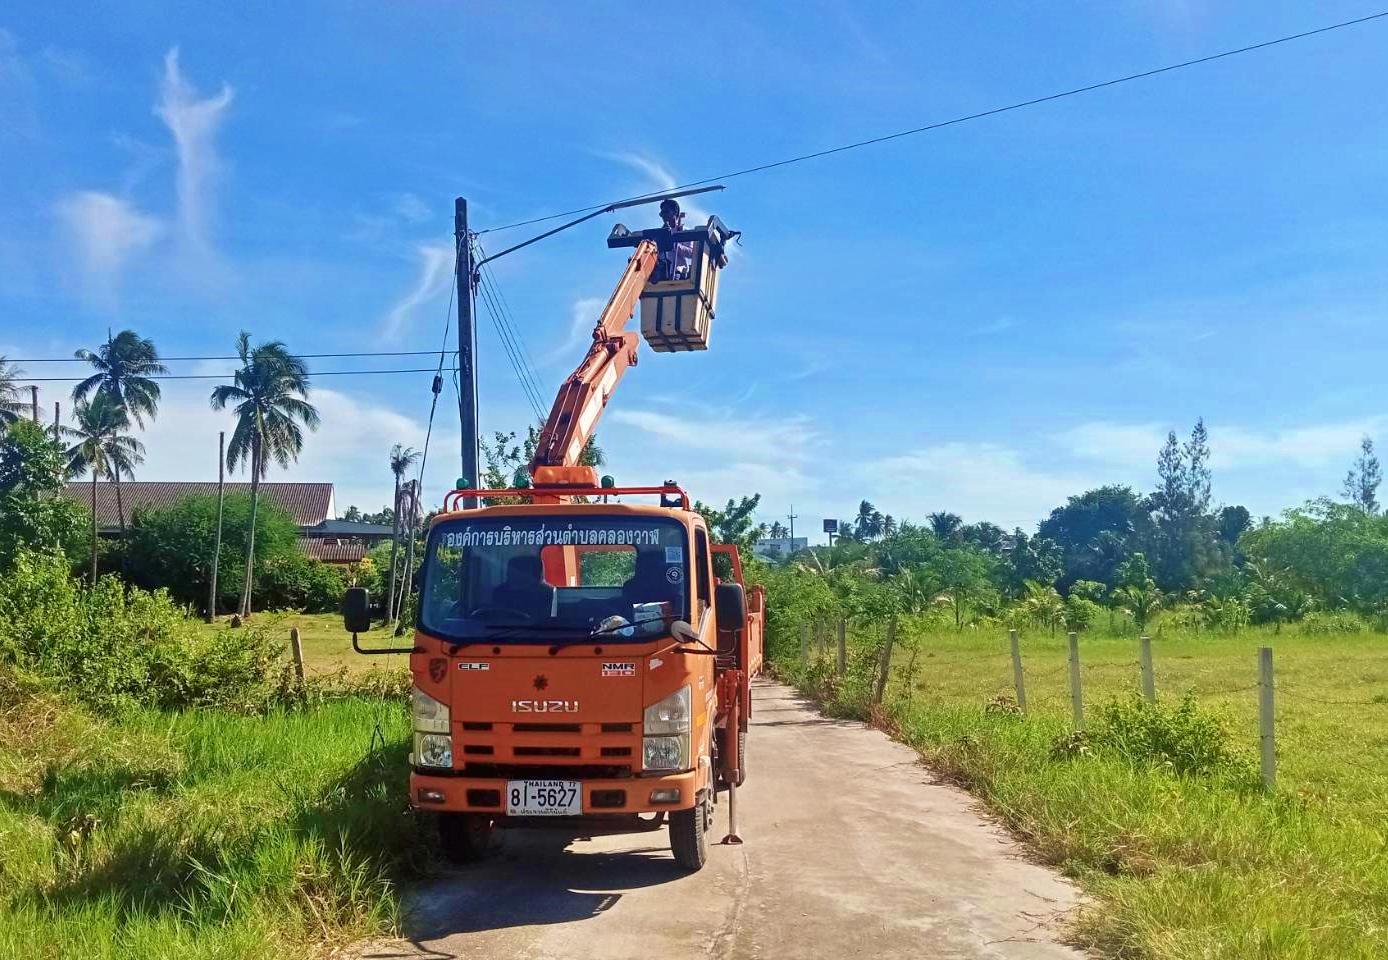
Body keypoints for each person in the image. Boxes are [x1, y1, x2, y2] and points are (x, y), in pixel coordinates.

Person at [656, 199, 695, 281]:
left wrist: (673, 245)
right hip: (661, 273)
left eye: (666, 212)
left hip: (678, 273)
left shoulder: (685, 232)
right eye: (661, 213)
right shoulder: (659, 234)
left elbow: (692, 253)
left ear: (675, 213)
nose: (663, 216)